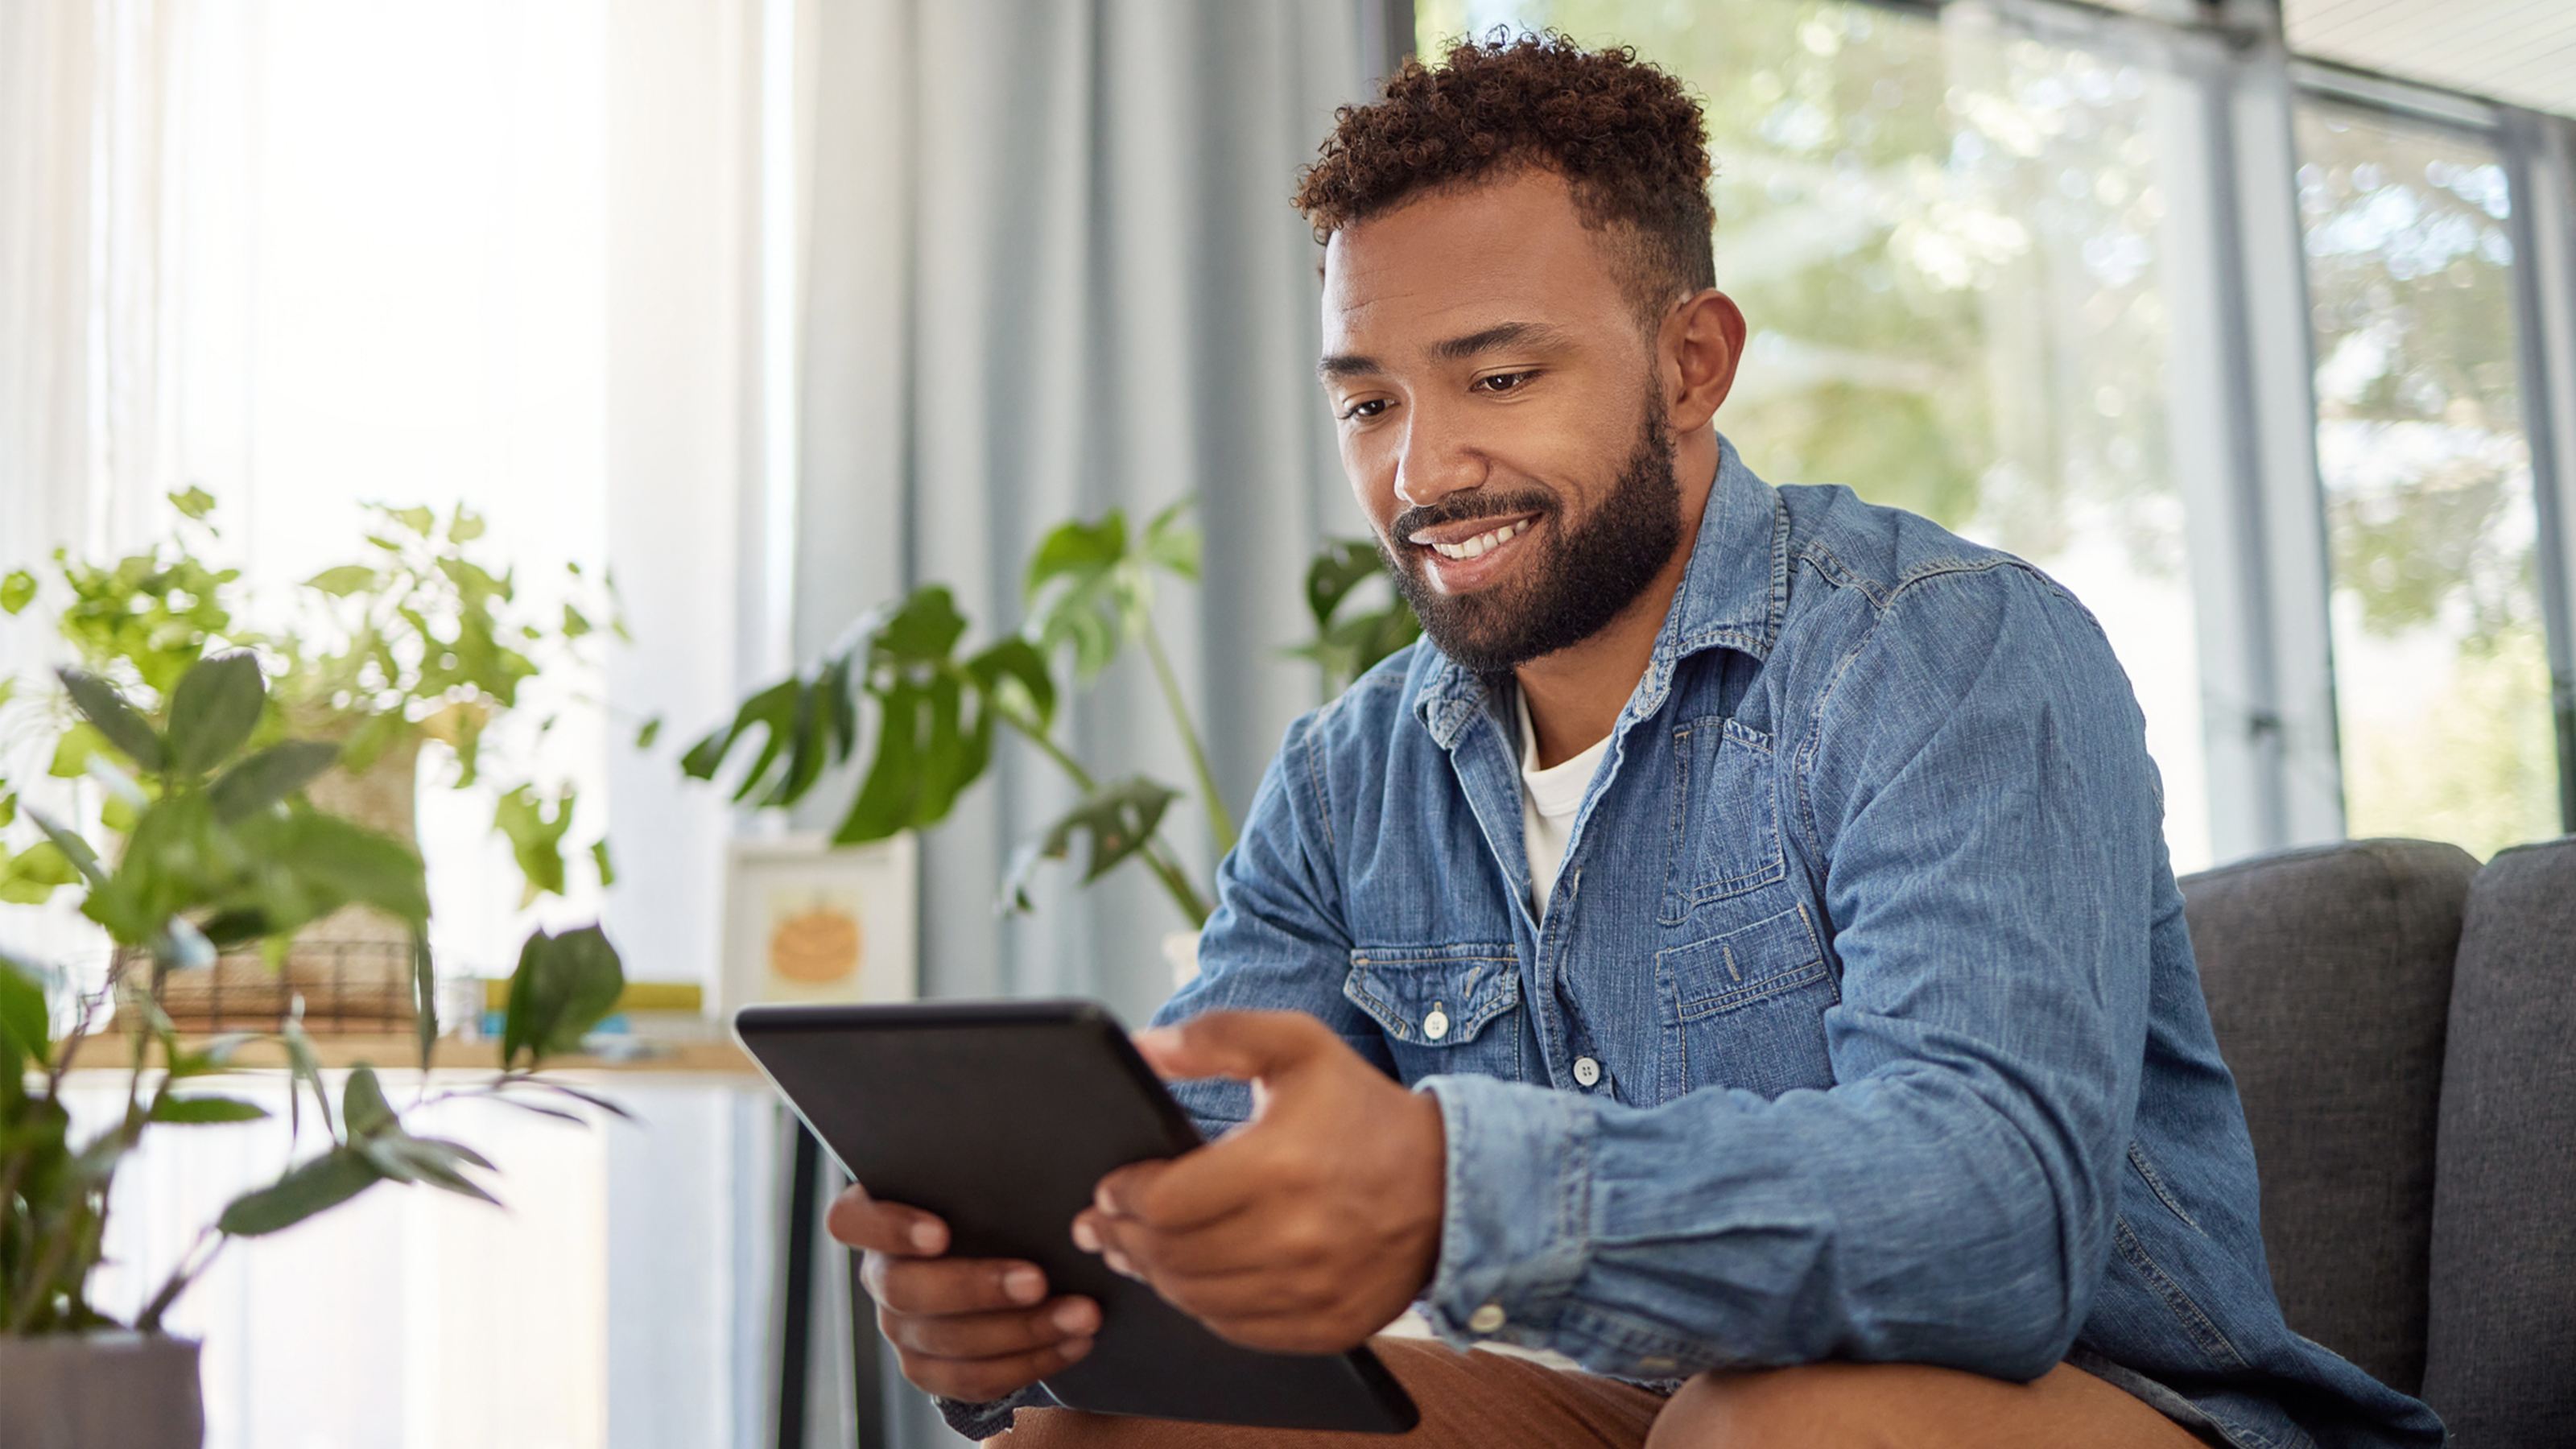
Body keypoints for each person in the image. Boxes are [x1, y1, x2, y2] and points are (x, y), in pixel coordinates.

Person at [828, 34, 2443, 1449]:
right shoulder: (1346, 780)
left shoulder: (1944, 651)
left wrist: (1455, 1192)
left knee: (1780, 1422)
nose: (1419, 472)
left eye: (1500, 376)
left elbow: (1994, 1223)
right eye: (1367, 402)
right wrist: (1036, 1297)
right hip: (1607, 1402)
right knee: (1091, 1441)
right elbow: (1212, 1161)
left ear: (1691, 362)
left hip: (2083, 1399)